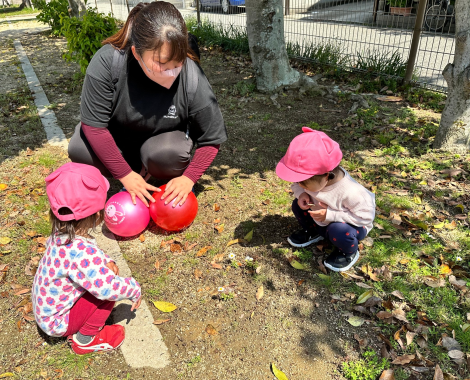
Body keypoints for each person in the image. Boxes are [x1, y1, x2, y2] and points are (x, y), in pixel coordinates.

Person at [68, 1, 227, 208]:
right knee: (80, 148)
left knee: (168, 155)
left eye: (177, 63)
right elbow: (94, 127)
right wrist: (125, 175)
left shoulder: (192, 76)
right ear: (136, 53)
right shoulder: (108, 63)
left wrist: (189, 178)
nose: (170, 71)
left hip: (161, 146)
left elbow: (212, 138)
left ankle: (156, 171)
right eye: (161, 63)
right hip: (120, 142)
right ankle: (130, 172)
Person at [32, 162, 142, 355]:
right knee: (106, 294)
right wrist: (133, 288)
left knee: (104, 276)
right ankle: (85, 340)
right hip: (58, 322)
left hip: (46, 312)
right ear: (98, 214)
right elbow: (107, 288)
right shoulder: (81, 252)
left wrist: (107, 260)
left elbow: (89, 251)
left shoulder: (60, 235)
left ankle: (82, 325)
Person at [276, 127, 376, 272]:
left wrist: (329, 215)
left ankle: (348, 252)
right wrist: (301, 194)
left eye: (303, 183)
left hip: (349, 224)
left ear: (326, 176)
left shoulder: (352, 192)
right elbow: (297, 185)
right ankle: (313, 231)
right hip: (320, 218)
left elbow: (365, 218)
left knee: (339, 229)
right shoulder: (312, 180)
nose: (299, 185)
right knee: (297, 205)